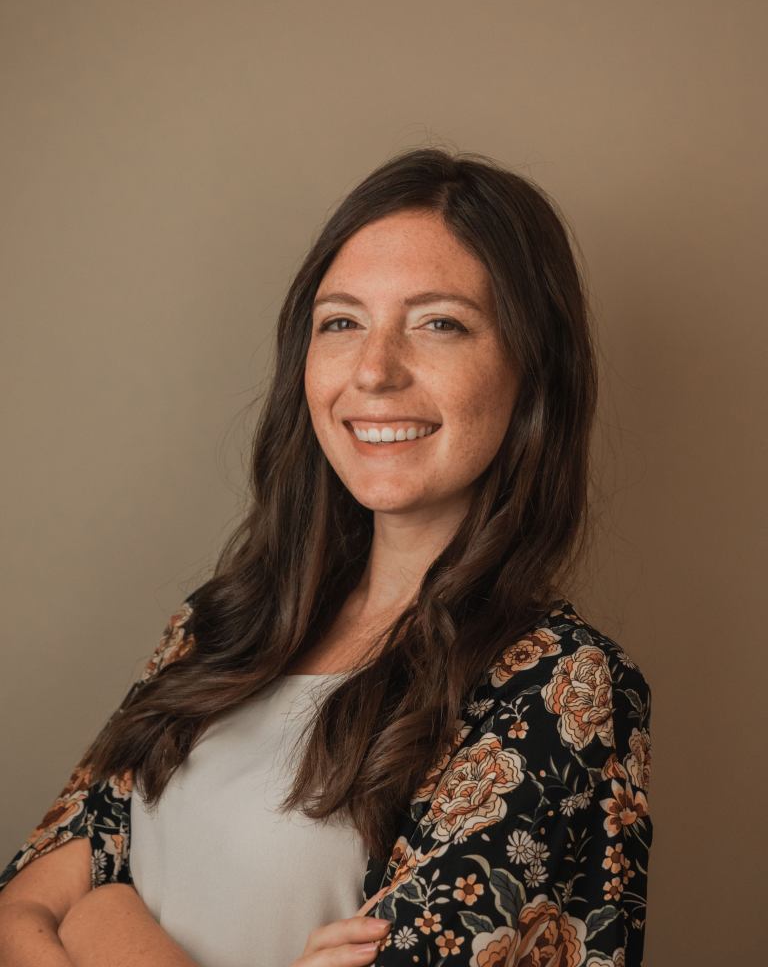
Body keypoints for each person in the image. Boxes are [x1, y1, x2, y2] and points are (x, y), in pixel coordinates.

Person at [0, 147, 653, 967]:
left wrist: (103, 921)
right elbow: (19, 911)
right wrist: (96, 910)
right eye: (341, 322)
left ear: (532, 370)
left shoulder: (563, 686)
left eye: (439, 323)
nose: (374, 371)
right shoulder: (219, 627)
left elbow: (71, 912)